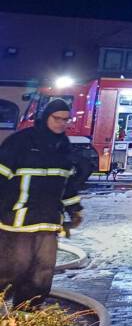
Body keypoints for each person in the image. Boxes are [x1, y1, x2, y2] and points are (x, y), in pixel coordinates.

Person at [0, 99, 92, 306]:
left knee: (42, 273)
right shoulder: (20, 143)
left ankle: (26, 317)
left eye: (65, 120)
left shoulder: (63, 148)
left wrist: (74, 210)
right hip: (16, 222)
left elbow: (66, 185)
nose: (61, 123)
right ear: (45, 117)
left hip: (48, 222)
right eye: (56, 118)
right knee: (10, 269)